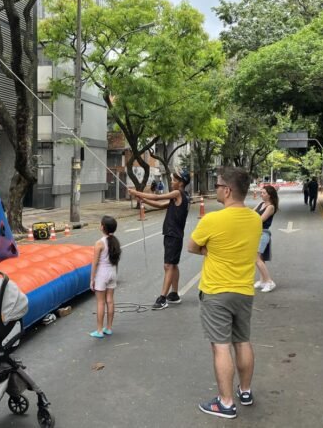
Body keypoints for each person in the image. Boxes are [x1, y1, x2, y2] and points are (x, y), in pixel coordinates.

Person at [188, 166, 262, 419]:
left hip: (216, 291)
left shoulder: (212, 219)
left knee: (221, 347)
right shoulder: (255, 219)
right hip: (244, 290)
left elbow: (193, 247)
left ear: (228, 190)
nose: (216, 189)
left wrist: (210, 251)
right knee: (242, 341)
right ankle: (245, 390)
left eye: (218, 185)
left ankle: (226, 402)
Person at [128, 170, 191, 310]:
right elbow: (161, 205)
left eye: (174, 180)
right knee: (173, 265)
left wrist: (137, 193)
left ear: (181, 183)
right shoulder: (181, 196)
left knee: (168, 266)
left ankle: (163, 298)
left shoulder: (178, 193)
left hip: (173, 234)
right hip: (173, 234)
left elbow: (157, 198)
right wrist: (144, 200)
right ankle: (174, 294)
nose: (172, 182)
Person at [89, 215, 121, 338]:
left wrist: (92, 279)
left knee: (100, 302)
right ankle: (108, 328)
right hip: (113, 272)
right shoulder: (115, 242)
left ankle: (99, 330)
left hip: (102, 274)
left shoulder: (99, 243)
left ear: (102, 227)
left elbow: (95, 263)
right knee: (110, 301)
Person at [253, 185, 278, 292]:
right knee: (261, 258)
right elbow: (251, 213)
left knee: (256, 258)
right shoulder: (261, 203)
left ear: (270, 195)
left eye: (263, 193)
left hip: (263, 234)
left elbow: (260, 220)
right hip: (255, 233)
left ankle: (269, 281)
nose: (261, 194)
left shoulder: (271, 207)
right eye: (261, 192)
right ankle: (262, 280)